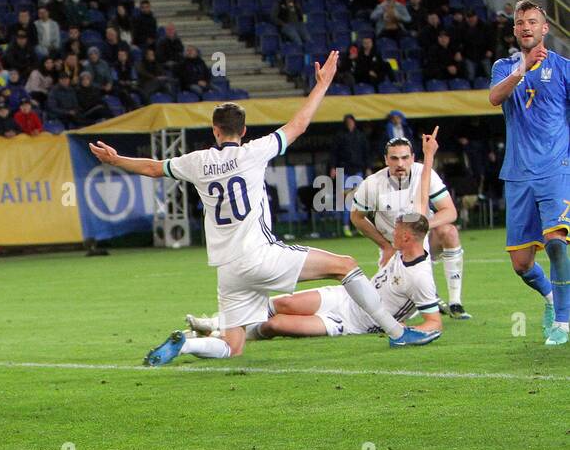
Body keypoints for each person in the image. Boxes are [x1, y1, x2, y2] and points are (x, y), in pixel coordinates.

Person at [89, 51, 440, 366]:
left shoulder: (195, 161)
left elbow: (153, 168)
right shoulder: (253, 151)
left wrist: (116, 158)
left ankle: (188, 346)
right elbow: (299, 125)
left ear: (214, 131)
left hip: (228, 269)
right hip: (261, 255)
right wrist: (322, 85)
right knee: (346, 266)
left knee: (232, 346)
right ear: (243, 130)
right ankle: (397, 332)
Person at [189, 132, 445, 344]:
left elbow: (435, 323)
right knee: (284, 303)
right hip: (346, 296)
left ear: (409, 237)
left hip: (354, 321)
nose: (391, 232)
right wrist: (429, 155)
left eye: (397, 230)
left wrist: (405, 329)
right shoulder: (408, 243)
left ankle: (215, 337)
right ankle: (215, 322)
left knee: (274, 325)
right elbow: (422, 198)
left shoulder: (420, 275)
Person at [488, 0, 570, 345]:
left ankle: (565, 323)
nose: (525, 27)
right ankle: (552, 301)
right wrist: (520, 69)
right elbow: (494, 98)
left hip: (555, 168)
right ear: (514, 29)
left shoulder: (565, 68)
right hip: (518, 173)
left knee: (557, 242)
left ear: (544, 28)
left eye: (532, 22)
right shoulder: (503, 67)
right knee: (522, 264)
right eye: (520, 22)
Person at [350, 134, 469, 318]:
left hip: (425, 239)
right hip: (395, 248)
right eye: (394, 158)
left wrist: (419, 226)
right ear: (385, 160)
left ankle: (455, 303)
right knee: (391, 312)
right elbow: (357, 217)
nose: (400, 163)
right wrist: (385, 246)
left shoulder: (424, 173)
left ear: (413, 158)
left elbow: (450, 212)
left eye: (405, 157)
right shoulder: (372, 184)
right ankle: (427, 298)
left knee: (449, 231)